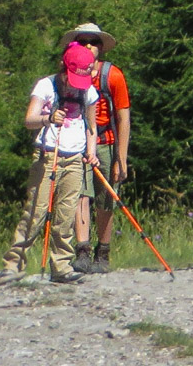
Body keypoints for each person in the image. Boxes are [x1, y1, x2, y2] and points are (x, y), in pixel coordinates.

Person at [0, 41, 99, 283]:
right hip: (47, 155)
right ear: (64, 69)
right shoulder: (46, 85)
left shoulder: (88, 92)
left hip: (75, 159)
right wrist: (48, 118)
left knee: (65, 216)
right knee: (36, 211)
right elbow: (29, 119)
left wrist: (91, 151)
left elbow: (92, 127)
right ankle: (13, 265)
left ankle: (61, 266)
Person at [62, 23, 129, 273]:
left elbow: (123, 117)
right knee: (81, 195)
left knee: (106, 199)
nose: (89, 46)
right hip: (77, 142)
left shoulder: (112, 75)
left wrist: (120, 157)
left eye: (94, 42)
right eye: (83, 42)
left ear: (101, 47)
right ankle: (82, 250)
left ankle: (104, 251)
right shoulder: (69, 74)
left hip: (106, 142)